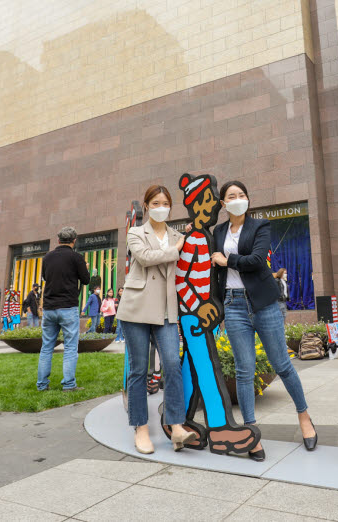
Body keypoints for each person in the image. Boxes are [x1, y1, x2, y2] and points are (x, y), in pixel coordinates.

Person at [212, 180, 316, 456]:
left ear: (248, 199)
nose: (237, 199)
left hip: (264, 304)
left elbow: (257, 260)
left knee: (282, 364)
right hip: (233, 304)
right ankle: (251, 432)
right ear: (223, 204)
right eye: (231, 196)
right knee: (244, 371)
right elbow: (212, 268)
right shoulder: (218, 231)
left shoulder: (260, 226)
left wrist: (227, 260)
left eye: (242, 194)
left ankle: (304, 416)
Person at [117, 185, 197, 453]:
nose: (161, 207)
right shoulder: (136, 232)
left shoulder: (178, 235)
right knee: (139, 370)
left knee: (172, 364)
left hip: (166, 310)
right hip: (137, 308)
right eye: (156, 202)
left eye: (166, 203)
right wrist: (174, 250)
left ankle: (176, 426)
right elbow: (144, 257)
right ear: (147, 205)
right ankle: (140, 428)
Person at [38, 227, 90, 391]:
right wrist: (84, 268)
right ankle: (68, 384)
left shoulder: (47, 257)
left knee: (46, 347)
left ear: (58, 240)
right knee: (70, 347)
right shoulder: (76, 257)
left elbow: (45, 277)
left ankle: (42, 385)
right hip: (68, 307)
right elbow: (86, 280)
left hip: (49, 307)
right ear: (74, 240)